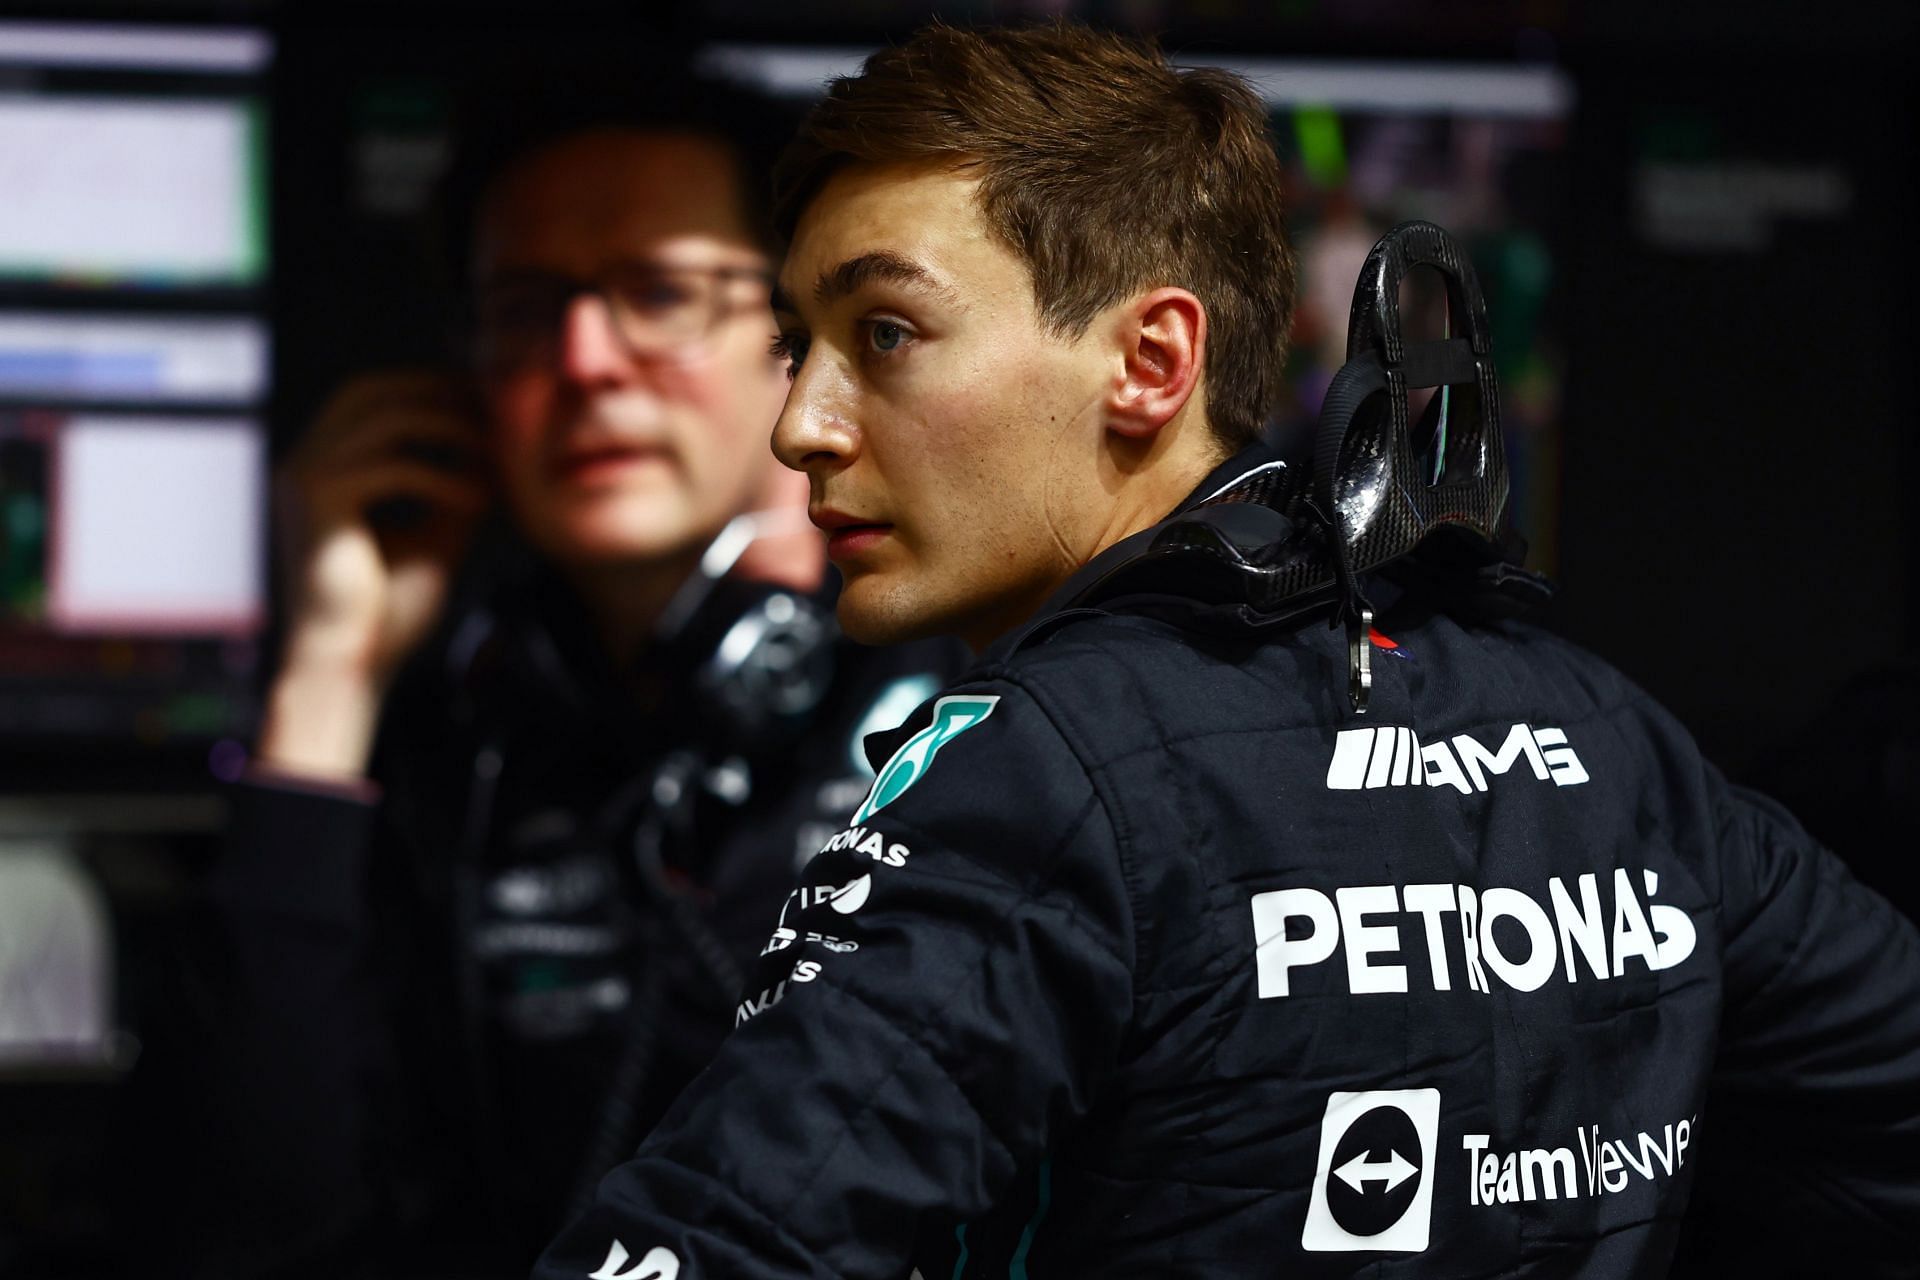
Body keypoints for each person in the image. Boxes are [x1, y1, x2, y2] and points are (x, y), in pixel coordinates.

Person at [536, 22, 1920, 1279]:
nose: (802, 425)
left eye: (886, 332)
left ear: (1148, 363)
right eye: (801, 344)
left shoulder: (1040, 770)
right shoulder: (1610, 732)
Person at [143, 71, 960, 1277]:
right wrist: (327, 683)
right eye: (526, 308)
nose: (583, 359)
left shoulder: (980, 692)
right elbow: (246, 1221)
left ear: (793, 337)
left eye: (662, 293)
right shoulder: (467, 737)